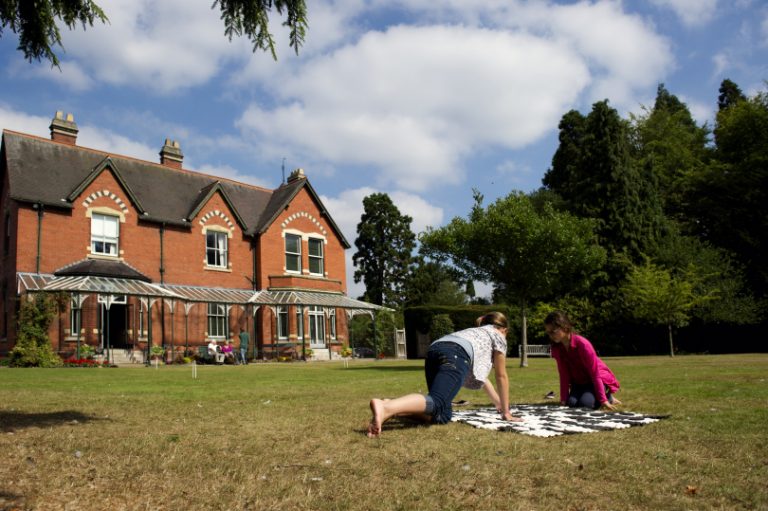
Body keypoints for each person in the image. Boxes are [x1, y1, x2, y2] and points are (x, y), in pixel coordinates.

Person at [367, 311, 521, 438]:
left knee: (442, 415)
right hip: (455, 353)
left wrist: (498, 403)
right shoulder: (498, 335)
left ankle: (394, 406)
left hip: (435, 349)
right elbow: (501, 375)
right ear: (504, 330)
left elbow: (482, 376)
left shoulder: (475, 333)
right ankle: (386, 407)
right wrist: (506, 412)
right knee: (438, 401)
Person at [544, 310, 621, 410]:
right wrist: (563, 400)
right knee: (571, 403)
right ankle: (590, 396)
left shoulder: (583, 345)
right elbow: (564, 374)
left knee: (586, 405)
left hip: (595, 379)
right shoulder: (556, 348)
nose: (550, 335)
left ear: (564, 327)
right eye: (548, 332)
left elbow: (595, 374)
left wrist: (603, 400)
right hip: (579, 381)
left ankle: (607, 397)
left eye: (553, 331)